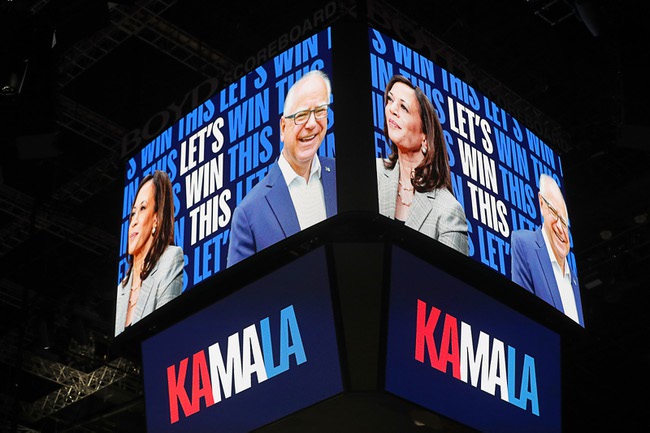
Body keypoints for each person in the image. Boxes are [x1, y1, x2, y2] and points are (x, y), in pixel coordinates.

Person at [227, 69, 337, 267]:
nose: (312, 124)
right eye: (302, 115)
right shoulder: (249, 212)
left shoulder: (344, 176)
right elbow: (239, 294)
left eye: (320, 111)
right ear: (283, 128)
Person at [377, 74, 468, 255]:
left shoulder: (448, 211)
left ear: (425, 137)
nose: (391, 109)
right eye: (390, 100)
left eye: (403, 107)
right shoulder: (372, 173)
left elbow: (450, 281)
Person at [115, 170, 184, 335]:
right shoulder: (121, 289)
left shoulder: (170, 259)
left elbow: (167, 333)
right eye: (133, 213)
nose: (134, 220)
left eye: (143, 208)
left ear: (156, 219)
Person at [510, 173, 584, 326]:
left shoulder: (574, 280)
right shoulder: (524, 243)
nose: (559, 227)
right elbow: (522, 313)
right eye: (554, 213)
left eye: (564, 222)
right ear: (541, 203)